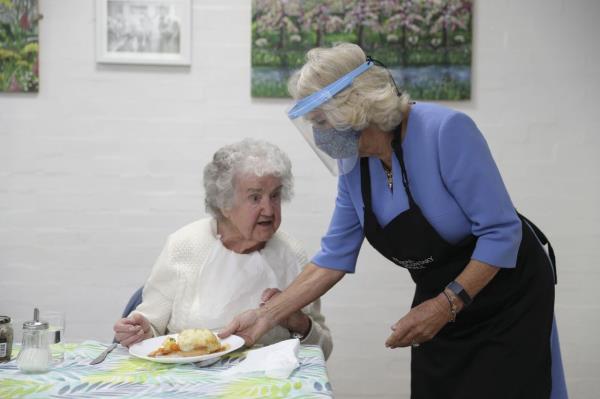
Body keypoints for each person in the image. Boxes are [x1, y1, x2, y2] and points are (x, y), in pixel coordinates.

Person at [220, 43, 567, 398]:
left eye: (321, 121)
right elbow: (333, 257)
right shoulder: (354, 165)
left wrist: (445, 304)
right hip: (441, 297)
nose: (319, 135)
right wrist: (265, 316)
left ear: (353, 110)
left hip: (507, 297)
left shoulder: (445, 131)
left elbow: (501, 231)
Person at [113, 138, 333, 359]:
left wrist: (297, 321)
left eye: (275, 195)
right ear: (224, 203)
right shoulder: (184, 245)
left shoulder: (292, 253)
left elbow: (323, 349)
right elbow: (151, 327)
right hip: (192, 380)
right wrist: (140, 331)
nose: (269, 209)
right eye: (255, 197)